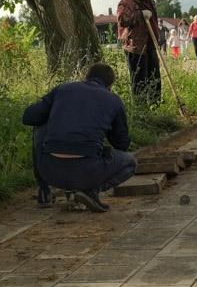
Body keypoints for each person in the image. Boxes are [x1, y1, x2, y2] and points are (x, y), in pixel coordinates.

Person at [22, 63, 136, 213]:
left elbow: (29, 117)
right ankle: (92, 191)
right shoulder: (113, 100)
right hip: (88, 172)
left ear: (86, 78)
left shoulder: (62, 89)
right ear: (110, 86)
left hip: (49, 171)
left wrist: (56, 114)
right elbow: (122, 144)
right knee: (130, 163)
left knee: (40, 126)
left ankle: (43, 191)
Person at [116, 0, 161, 103]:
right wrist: (139, 14)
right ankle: (141, 110)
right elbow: (122, 20)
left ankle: (155, 107)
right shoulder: (126, 2)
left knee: (155, 79)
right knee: (139, 81)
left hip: (151, 45)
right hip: (135, 47)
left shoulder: (150, 0)